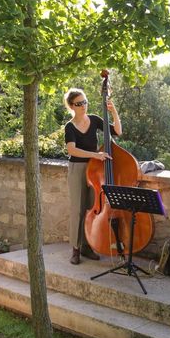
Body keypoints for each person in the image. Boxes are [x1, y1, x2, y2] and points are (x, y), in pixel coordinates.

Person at [63, 88, 121, 265]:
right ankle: (76, 249)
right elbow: (71, 150)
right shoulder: (70, 126)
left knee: (91, 207)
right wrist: (96, 155)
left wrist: (114, 112)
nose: (83, 106)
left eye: (85, 102)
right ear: (72, 106)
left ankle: (88, 246)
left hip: (94, 170)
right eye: (79, 103)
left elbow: (117, 131)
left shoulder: (94, 119)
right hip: (78, 168)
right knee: (78, 210)